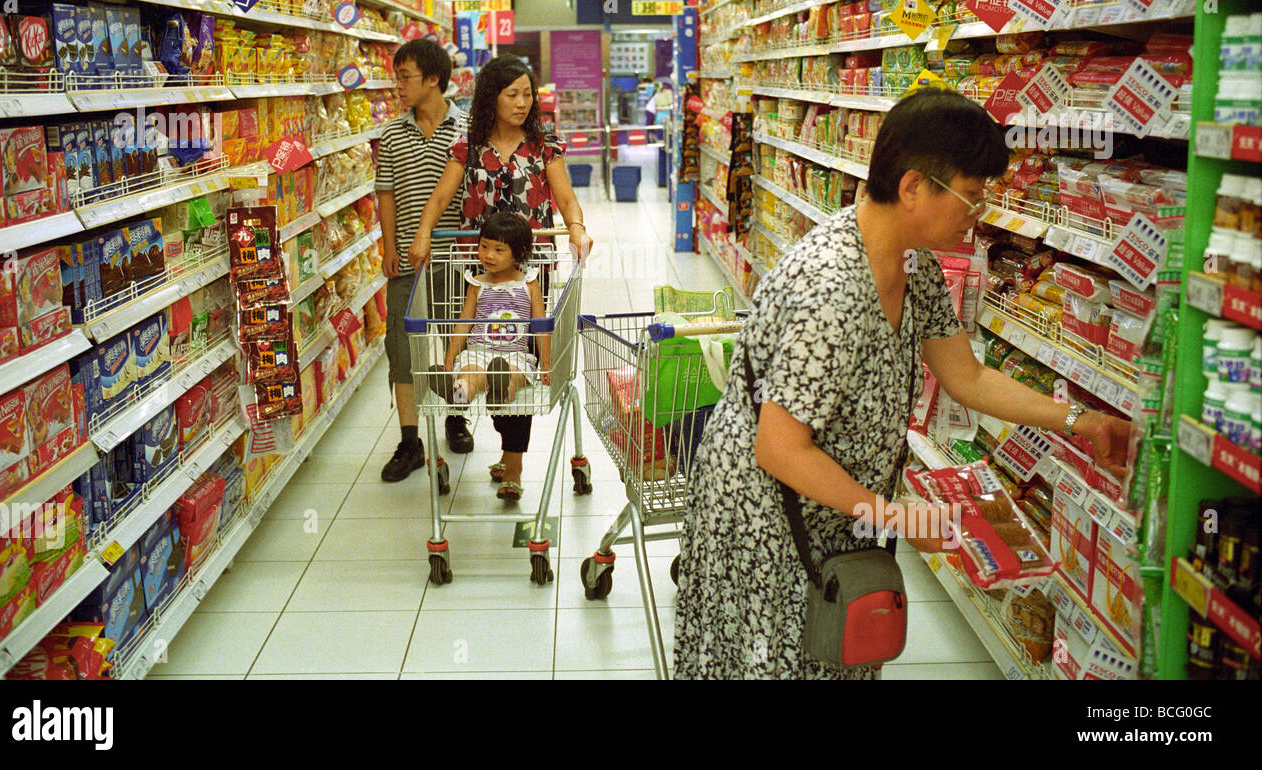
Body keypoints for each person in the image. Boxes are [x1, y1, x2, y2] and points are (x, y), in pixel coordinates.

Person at [673, 88, 1133, 680]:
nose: (980, 213)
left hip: (836, 513)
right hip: (766, 521)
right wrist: (894, 517)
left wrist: (1079, 419)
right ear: (914, 186)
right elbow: (780, 447)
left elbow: (966, 376)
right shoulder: (830, 290)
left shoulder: (914, 265)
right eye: (970, 197)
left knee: (837, 654)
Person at [410, 54, 593, 491]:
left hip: (529, 269)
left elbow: (566, 199)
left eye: (528, 93)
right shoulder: (468, 146)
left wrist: (578, 230)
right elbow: (439, 198)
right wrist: (422, 235)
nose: (523, 102)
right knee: (484, 351)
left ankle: (512, 464)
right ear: (491, 97)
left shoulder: (545, 146)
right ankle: (482, 412)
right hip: (475, 267)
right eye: (513, 94)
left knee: (521, 356)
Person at [375, 39, 474, 484]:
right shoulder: (392, 134)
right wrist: (389, 246)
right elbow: (387, 195)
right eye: (396, 77)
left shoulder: (467, 128)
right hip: (409, 263)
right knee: (403, 347)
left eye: (404, 77)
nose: (397, 85)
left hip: (457, 259)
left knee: (457, 342)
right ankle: (410, 441)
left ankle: (456, 416)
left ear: (433, 79)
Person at [426, 213, 551, 500]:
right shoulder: (477, 283)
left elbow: (541, 326)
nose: (488, 255)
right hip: (480, 351)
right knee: (472, 371)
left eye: (498, 249)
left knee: (514, 375)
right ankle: (459, 392)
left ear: (519, 253)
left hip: (515, 354)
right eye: (483, 246)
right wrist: (449, 359)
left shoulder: (529, 283)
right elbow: (463, 323)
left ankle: (500, 389)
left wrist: (546, 363)